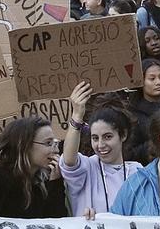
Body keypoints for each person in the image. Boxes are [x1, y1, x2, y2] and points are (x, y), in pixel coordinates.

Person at [58, 85, 140, 219]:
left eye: (108, 137)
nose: (100, 145)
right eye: (95, 138)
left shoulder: (137, 172)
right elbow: (68, 161)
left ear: (123, 135)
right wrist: (77, 116)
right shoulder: (87, 168)